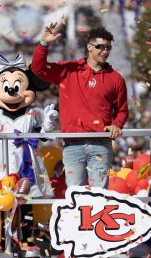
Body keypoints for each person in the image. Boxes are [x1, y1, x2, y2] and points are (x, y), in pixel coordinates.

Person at [31, 23, 129, 188]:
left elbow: (122, 111)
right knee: (75, 196)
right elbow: (38, 69)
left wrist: (117, 124)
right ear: (89, 47)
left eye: (108, 47)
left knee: (99, 197)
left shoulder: (116, 79)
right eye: (101, 47)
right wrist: (44, 44)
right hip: (72, 144)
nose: (105, 51)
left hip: (101, 144)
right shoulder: (69, 70)